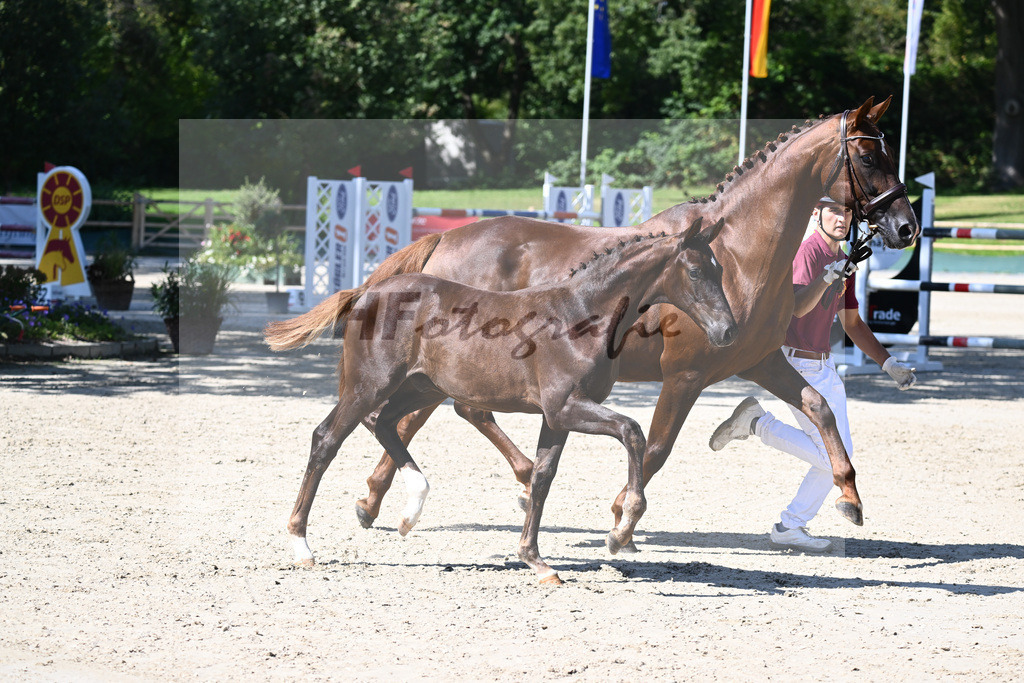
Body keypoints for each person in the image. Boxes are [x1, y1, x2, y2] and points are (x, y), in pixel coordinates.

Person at [708, 197, 917, 552]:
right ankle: (760, 426)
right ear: (816, 213)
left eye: (848, 212)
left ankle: (789, 524)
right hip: (796, 364)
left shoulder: (844, 257)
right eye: (835, 210)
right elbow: (798, 308)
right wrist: (825, 278)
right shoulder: (808, 253)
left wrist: (887, 363)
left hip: (826, 367)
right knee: (833, 457)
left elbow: (851, 322)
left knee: (837, 455)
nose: (843, 218)